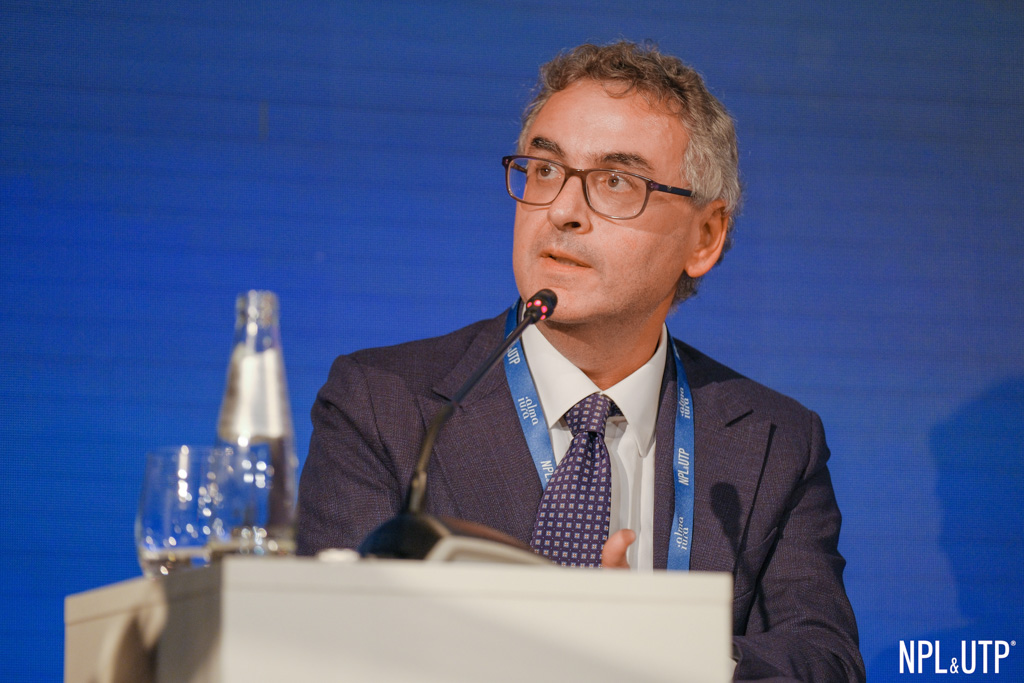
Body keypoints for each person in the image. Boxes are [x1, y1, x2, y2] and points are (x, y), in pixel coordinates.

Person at [298, 41, 865, 681]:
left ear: (705, 237)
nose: (562, 211)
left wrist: (668, 649)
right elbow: (328, 648)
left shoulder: (774, 443)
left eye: (616, 181)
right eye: (544, 170)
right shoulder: (385, 406)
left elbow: (827, 662)